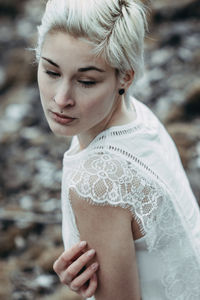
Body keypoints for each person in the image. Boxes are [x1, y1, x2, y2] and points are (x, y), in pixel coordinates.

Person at [36, 0, 200, 299]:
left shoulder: (96, 182)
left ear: (125, 77)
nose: (61, 99)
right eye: (51, 71)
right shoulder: (137, 116)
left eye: (86, 81)